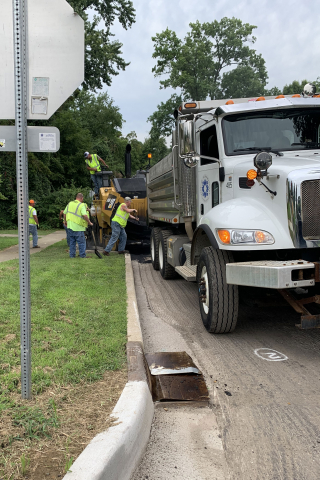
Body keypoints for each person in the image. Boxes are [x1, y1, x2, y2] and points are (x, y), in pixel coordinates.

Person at [63, 193, 93, 258]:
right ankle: (82, 255)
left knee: (72, 242)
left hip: (70, 226)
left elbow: (64, 213)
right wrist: (89, 222)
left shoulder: (70, 203)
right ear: (82, 198)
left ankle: (72, 255)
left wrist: (65, 221)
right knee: (81, 242)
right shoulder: (81, 205)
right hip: (78, 227)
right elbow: (84, 215)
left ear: (76, 198)